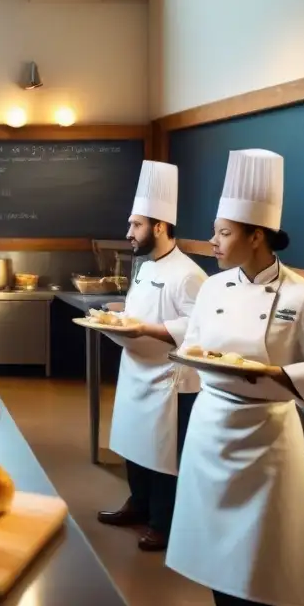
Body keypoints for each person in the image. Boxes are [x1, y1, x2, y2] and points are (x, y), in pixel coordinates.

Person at [166, 149, 304, 606]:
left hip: (266, 436)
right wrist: (196, 357)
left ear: (257, 235)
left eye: (224, 233)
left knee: (259, 559)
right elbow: (192, 346)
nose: (213, 242)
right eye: (215, 232)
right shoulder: (211, 287)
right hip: (210, 428)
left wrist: (272, 372)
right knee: (211, 554)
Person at [96, 160, 206, 552]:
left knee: (163, 454)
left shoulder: (190, 274)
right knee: (131, 443)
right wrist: (119, 318)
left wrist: (143, 330)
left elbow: (197, 327)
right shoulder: (143, 267)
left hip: (168, 379)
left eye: (136, 225)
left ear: (159, 226)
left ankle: (164, 520)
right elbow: (138, 313)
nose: (128, 232)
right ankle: (138, 504)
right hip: (136, 370)